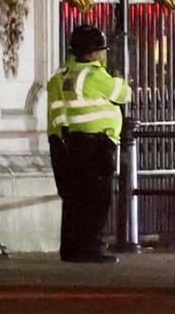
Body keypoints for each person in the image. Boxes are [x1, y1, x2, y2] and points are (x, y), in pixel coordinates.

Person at [46, 23, 133, 264]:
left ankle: (71, 249)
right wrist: (116, 75)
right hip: (96, 145)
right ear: (93, 52)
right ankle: (89, 248)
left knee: (74, 201)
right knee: (96, 200)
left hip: (66, 143)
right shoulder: (94, 75)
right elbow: (125, 93)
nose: (104, 55)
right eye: (102, 50)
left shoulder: (59, 77)